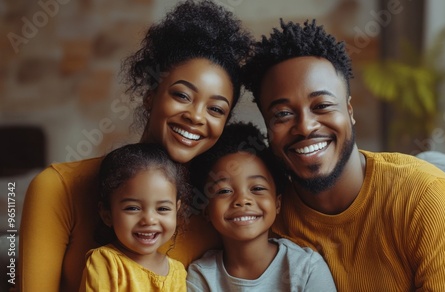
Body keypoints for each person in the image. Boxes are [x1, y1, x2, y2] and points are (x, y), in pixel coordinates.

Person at [19, 1, 252, 291]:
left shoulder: (214, 213)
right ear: (151, 96)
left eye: (216, 110)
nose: (196, 116)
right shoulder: (58, 187)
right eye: (181, 95)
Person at [241, 19, 445, 291]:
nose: (305, 126)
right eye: (283, 114)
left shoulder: (422, 195)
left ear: (349, 111)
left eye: (322, 105)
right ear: (268, 127)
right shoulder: (259, 214)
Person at [186, 122, 336, 291]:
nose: (242, 200)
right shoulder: (201, 276)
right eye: (224, 191)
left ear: (277, 203)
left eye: (257, 188)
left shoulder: (306, 268)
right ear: (206, 210)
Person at [80, 143, 189, 291]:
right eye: (133, 208)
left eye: (162, 208)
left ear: (176, 210)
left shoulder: (178, 272)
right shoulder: (106, 261)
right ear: (107, 215)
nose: (149, 220)